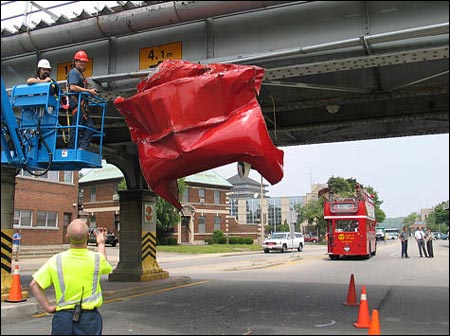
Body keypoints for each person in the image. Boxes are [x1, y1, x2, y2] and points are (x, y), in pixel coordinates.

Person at [30, 220, 112, 335]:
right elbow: (105, 266)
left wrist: (48, 307)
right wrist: (101, 243)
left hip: (63, 318)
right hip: (89, 319)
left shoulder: (56, 260)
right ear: (88, 236)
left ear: (67, 236)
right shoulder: (97, 259)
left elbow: (34, 285)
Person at [67, 50, 98, 150]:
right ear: (75, 62)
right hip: (77, 105)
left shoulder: (79, 74)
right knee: (77, 128)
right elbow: (72, 87)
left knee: (89, 127)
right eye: (80, 61)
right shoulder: (74, 72)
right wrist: (88, 91)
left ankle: (81, 148)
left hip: (82, 107)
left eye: (84, 62)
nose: (83, 64)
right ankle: (73, 149)